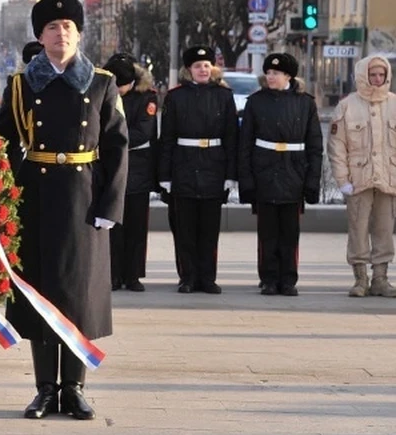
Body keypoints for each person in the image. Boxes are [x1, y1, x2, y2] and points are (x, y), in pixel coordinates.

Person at [0, 0, 128, 420]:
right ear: (40, 35)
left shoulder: (101, 82)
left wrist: (110, 203)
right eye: (52, 27)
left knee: (78, 295)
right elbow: (0, 143)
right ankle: (44, 390)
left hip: (84, 198)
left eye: (69, 26)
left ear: (79, 33)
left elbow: (117, 146)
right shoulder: (20, 85)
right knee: (39, 294)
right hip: (35, 195)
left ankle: (74, 388)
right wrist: (4, 197)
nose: (61, 32)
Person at [239, 54, 323, 296]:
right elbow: (245, 144)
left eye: (276, 73)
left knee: (289, 232)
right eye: (268, 72)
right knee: (267, 233)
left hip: (293, 172)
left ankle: (288, 279)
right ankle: (268, 278)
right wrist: (247, 180)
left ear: (288, 76)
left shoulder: (305, 103)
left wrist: (311, 181)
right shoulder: (256, 102)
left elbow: (315, 146)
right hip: (264, 171)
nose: (271, 76)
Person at [158, 46, 238, 294]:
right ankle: (187, 277)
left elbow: (232, 137)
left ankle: (207, 277)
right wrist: (165, 176)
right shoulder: (176, 97)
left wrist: (230, 175)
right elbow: (167, 137)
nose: (203, 70)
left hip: (213, 165)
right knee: (185, 229)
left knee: (209, 229)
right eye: (197, 66)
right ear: (188, 70)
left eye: (206, 65)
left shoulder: (224, 96)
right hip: (184, 165)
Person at [328, 55, 396, 297]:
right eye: (372, 74)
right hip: (358, 181)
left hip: (389, 180)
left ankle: (381, 278)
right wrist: (342, 180)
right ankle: (360, 279)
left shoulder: (394, 104)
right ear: (362, 76)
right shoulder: (347, 106)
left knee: (385, 229)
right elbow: (337, 147)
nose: (377, 79)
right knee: (358, 228)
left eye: (381, 75)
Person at [105, 53, 157, 292]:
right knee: (111, 225)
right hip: (108, 169)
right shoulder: (102, 95)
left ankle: (133, 274)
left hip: (137, 169)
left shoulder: (145, 98)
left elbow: (143, 132)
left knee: (136, 226)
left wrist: (113, 140)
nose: (119, 90)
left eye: (122, 85)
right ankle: (113, 274)